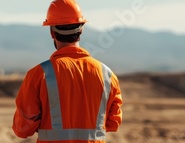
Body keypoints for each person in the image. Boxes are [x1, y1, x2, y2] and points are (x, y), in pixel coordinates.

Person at [12, 0, 123, 142]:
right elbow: (113, 123)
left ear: (52, 32)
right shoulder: (107, 75)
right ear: (81, 30)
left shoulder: (38, 75)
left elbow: (22, 129)